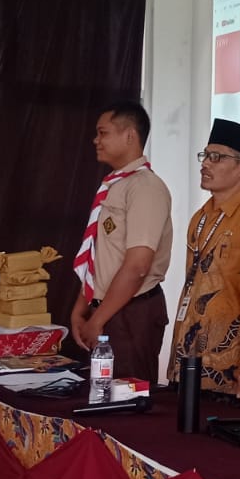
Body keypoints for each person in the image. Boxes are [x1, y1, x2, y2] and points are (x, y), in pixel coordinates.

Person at [166, 120, 240, 399]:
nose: (206, 164)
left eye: (217, 157)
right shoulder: (200, 217)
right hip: (187, 356)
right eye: (205, 155)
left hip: (229, 365)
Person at [71, 101, 173, 381]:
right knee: (103, 395)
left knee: (127, 395)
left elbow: (137, 266)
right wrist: (81, 310)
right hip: (106, 311)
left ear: (129, 136)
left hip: (130, 314)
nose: (96, 140)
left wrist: (98, 319)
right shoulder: (115, 185)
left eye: (103, 133)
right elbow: (101, 256)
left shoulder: (145, 187)